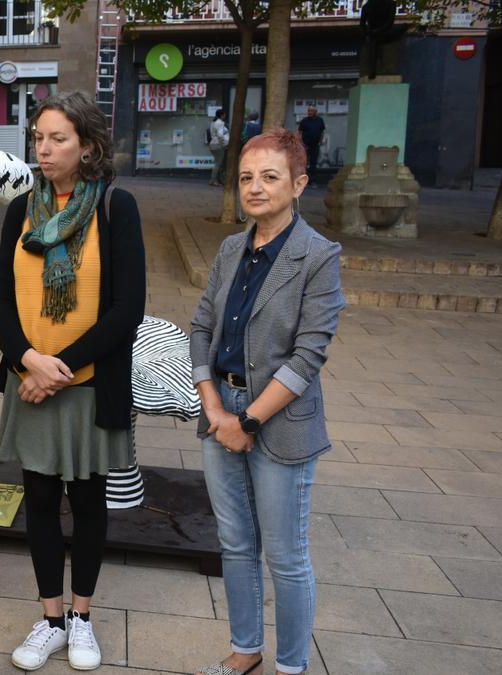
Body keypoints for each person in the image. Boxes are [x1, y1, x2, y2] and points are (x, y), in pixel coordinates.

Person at [0, 91, 145, 672]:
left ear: (88, 145)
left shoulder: (115, 207)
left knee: (86, 502)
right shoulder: (19, 210)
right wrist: (28, 359)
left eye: (58, 138)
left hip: (85, 384)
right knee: (37, 500)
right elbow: (1, 303)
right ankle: (50, 618)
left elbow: (128, 308)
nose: (45, 149)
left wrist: (60, 369)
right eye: (39, 138)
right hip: (30, 377)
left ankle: (82, 618)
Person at [189, 128, 344, 675]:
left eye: (270, 177)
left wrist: (247, 420)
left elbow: (309, 356)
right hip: (219, 412)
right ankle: (246, 649)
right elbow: (202, 326)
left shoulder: (318, 256)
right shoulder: (233, 248)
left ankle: (293, 665)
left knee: (286, 556)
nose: (255, 188)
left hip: (278, 425)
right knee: (235, 543)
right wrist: (214, 411)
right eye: (247, 177)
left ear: (299, 183)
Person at [297, 106, 325, 187]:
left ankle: (312, 181)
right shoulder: (304, 121)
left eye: (311, 111)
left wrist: (320, 141)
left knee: (313, 163)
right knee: (304, 163)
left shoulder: (320, 120)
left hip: (315, 145)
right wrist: (301, 143)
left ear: (315, 112)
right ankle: (303, 181)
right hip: (305, 145)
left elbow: (322, 131)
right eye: (309, 111)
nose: (309, 112)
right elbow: (299, 132)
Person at [208, 109, 230, 186]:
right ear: (222, 115)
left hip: (213, 144)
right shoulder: (220, 123)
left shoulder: (213, 122)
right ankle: (213, 180)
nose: (225, 116)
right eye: (224, 114)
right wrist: (224, 144)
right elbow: (220, 135)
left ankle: (217, 179)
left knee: (218, 163)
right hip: (218, 144)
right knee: (218, 163)